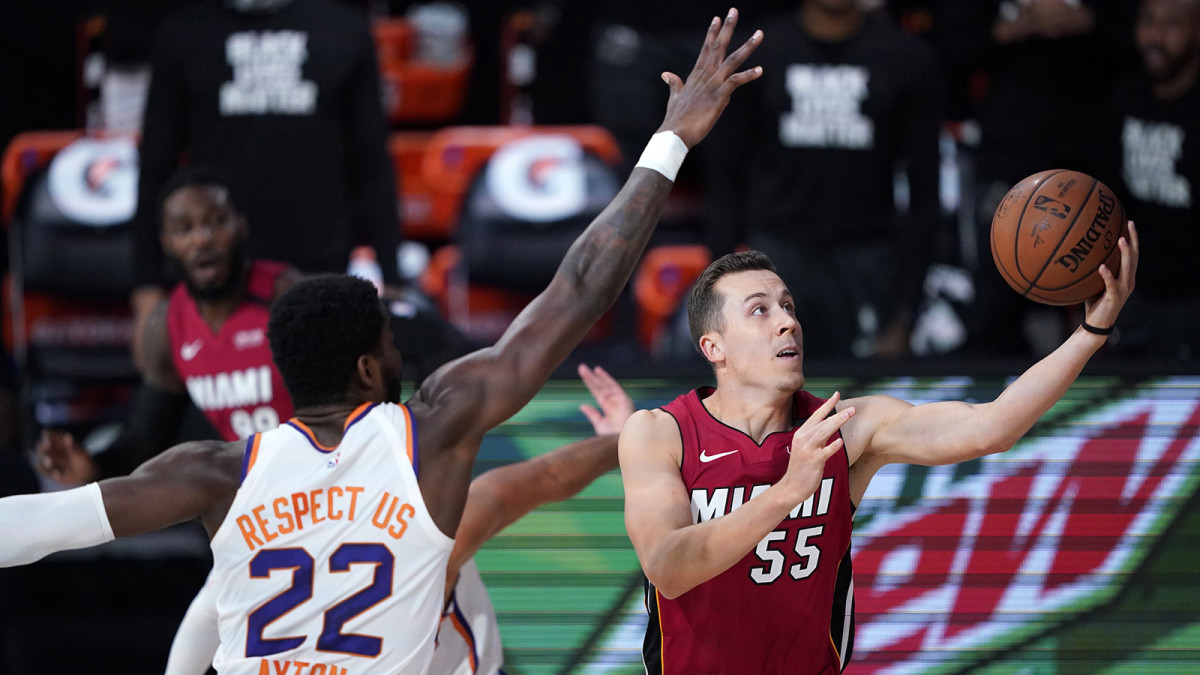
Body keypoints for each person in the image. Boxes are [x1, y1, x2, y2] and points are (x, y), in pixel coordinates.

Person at [0, 10, 764, 673]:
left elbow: (40, 527)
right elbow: (579, 286)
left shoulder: (214, 470)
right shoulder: (430, 438)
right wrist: (670, 138)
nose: (404, 356)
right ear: (370, 364)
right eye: (393, 344)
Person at [619, 226, 1137, 672]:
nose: (787, 321)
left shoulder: (847, 428)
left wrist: (1091, 332)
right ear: (714, 347)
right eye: (760, 310)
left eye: (788, 307)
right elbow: (668, 566)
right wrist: (787, 492)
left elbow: (992, 426)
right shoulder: (660, 432)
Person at [164, 363, 635, 675]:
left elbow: (205, 615)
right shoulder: (428, 525)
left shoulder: (264, 531)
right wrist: (619, 439)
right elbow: (543, 476)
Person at [129, 0, 407, 373]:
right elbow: (155, 169)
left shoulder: (343, 28)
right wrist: (145, 290)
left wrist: (392, 276)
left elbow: (372, 162)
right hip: (215, 280)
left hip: (319, 271)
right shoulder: (182, 32)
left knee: (323, 415)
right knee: (212, 425)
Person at [705, 0, 942, 359]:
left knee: (861, 408)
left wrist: (904, 315)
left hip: (868, 259)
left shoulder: (905, 57)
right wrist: (720, 290)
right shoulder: (760, 52)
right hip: (777, 253)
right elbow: (724, 175)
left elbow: (926, 191)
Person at [1100, 0, 1200, 360]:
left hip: (1191, 298)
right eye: (1148, 22)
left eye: (1172, 25)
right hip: (1135, 292)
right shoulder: (1124, 98)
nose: (1155, 36)